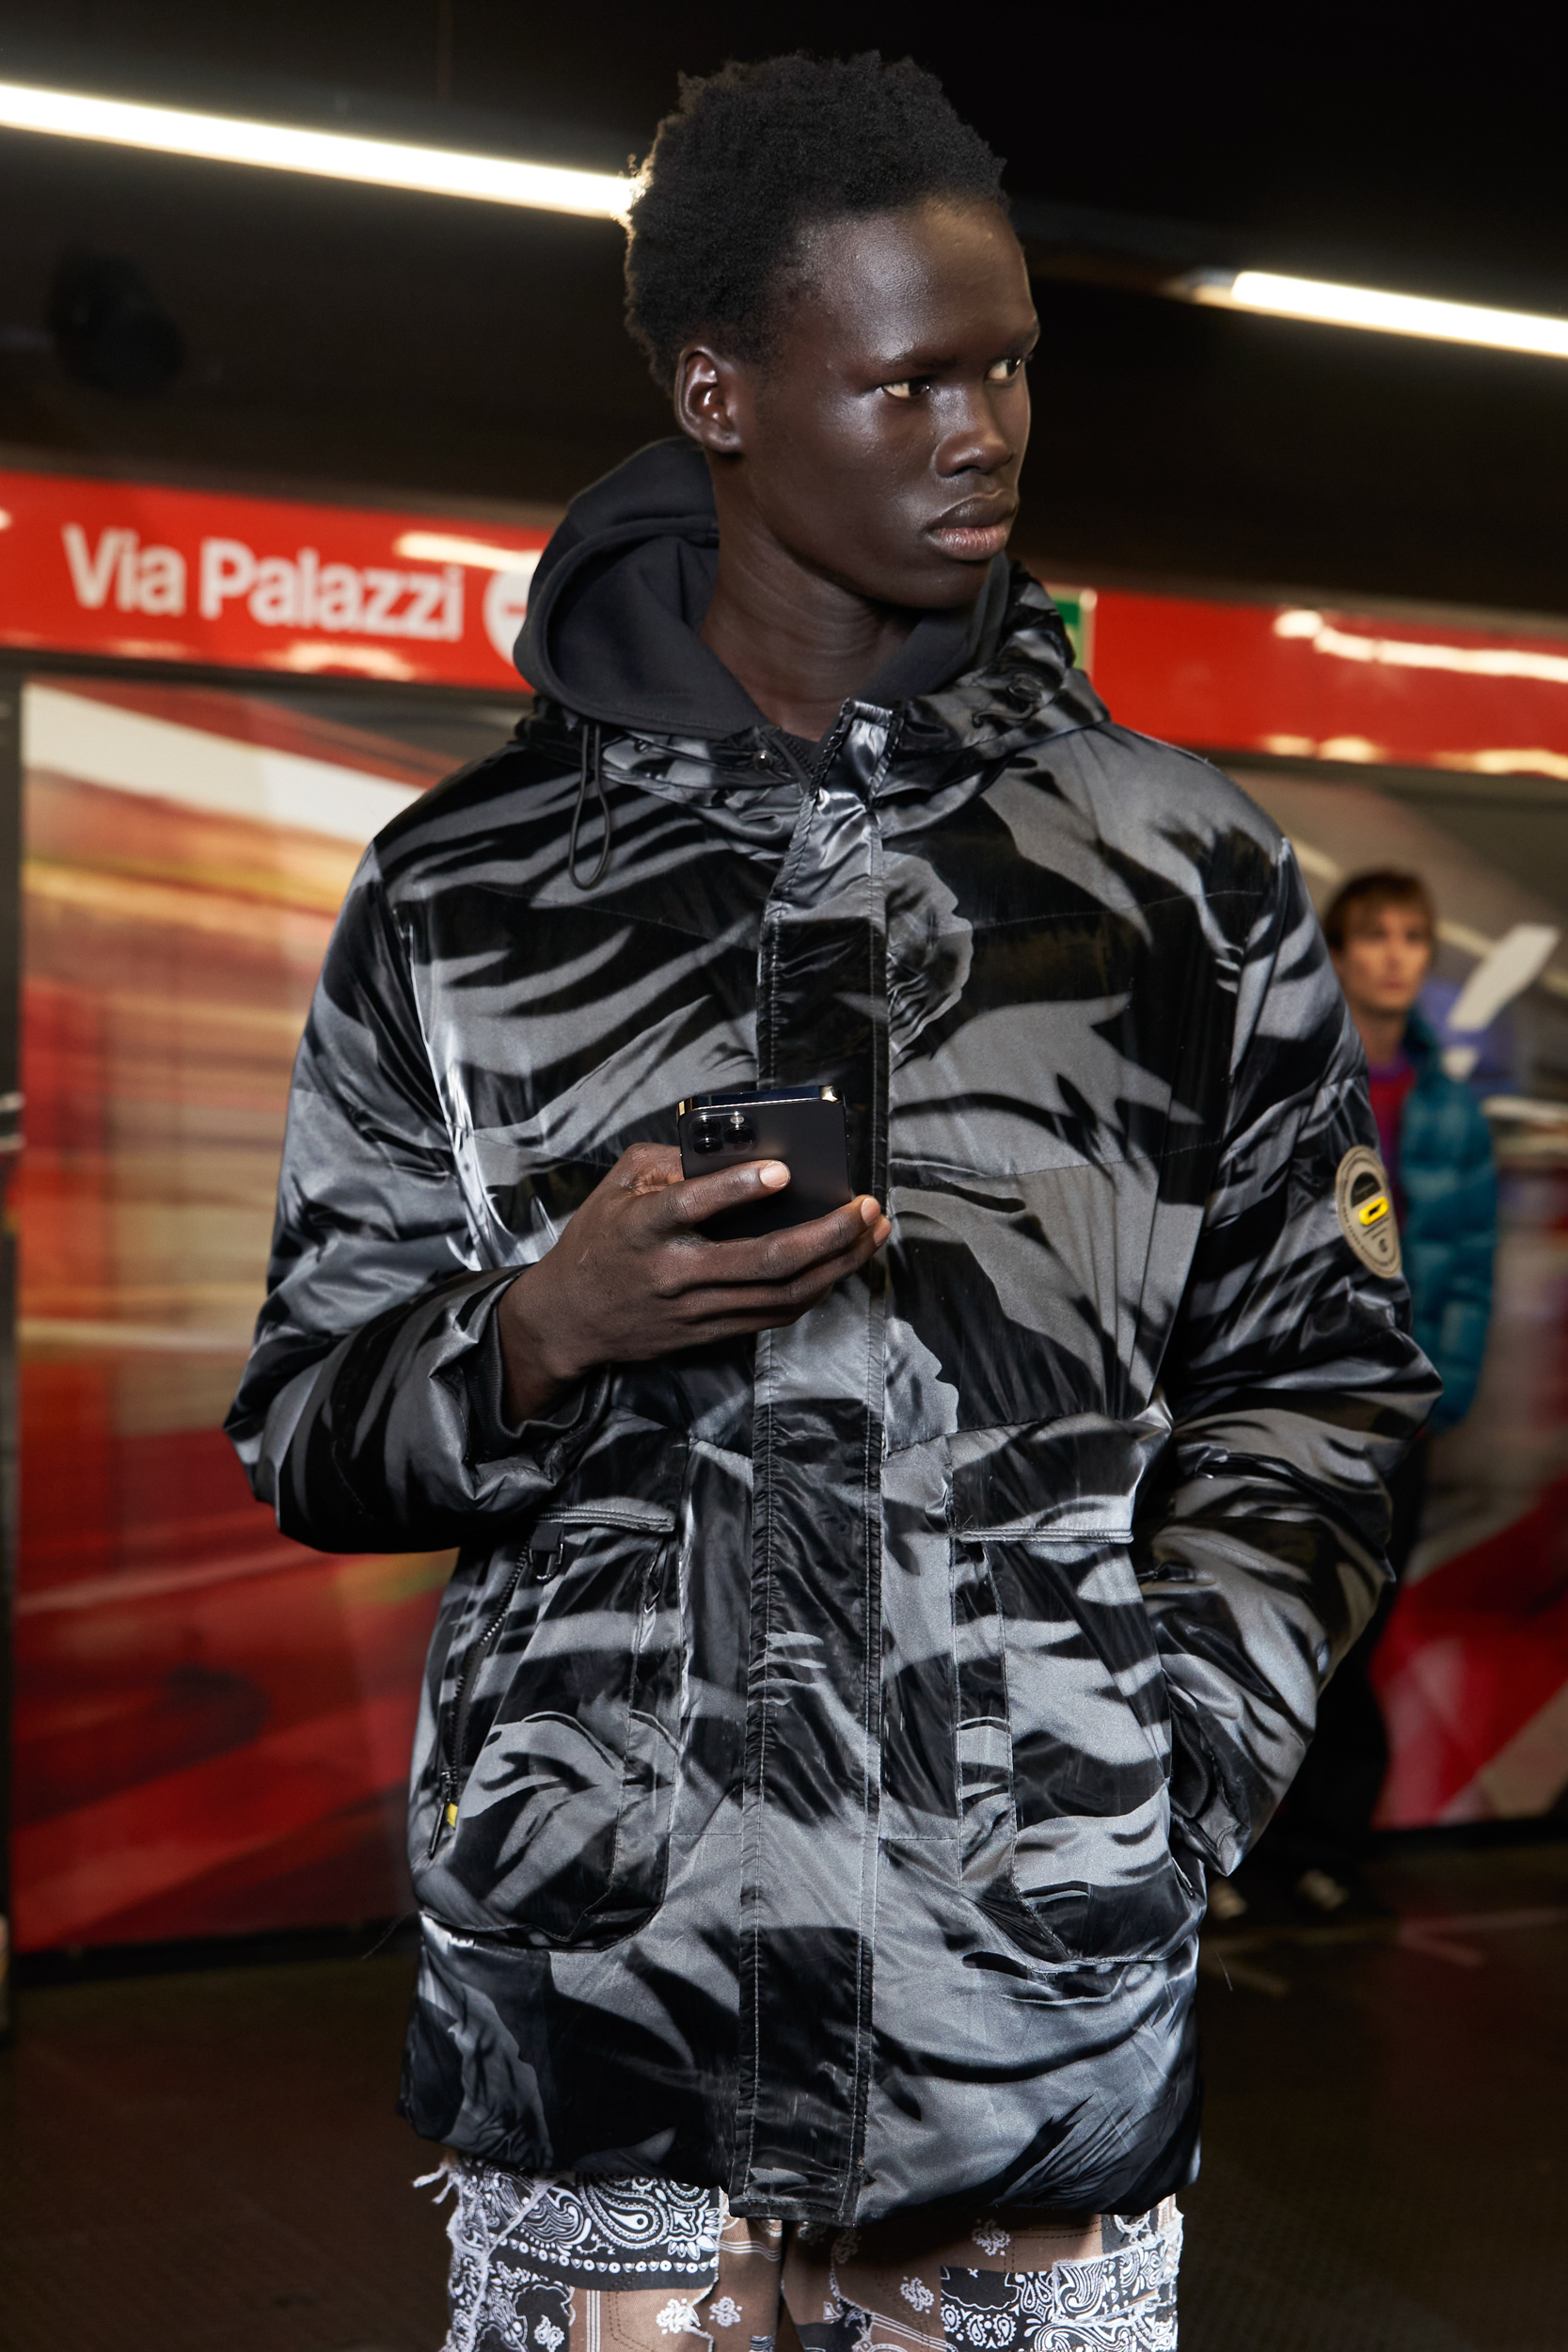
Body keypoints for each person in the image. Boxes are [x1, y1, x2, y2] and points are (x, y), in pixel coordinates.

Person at [227, 54, 1434, 2352]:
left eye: (1010, 370)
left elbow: (1320, 1384)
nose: (984, 432)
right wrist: (538, 1330)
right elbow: (310, 1417)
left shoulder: (1183, 875)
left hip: (1032, 2066)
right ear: (723, 392)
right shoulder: (461, 898)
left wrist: (1157, 1780)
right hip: (606, 2060)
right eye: (909, 381)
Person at [1244, 868, 1496, 1913]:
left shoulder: (1449, 1108)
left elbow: (1468, 1266)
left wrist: (1442, 1393)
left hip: (1405, 1424)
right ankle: (1245, 1858)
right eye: (1371, 935)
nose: (1393, 954)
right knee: (1275, 1629)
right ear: (1336, 955)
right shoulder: (1298, 1083)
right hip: (1299, 1411)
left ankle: (1326, 1855)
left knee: (1363, 1634)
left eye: (1410, 935)